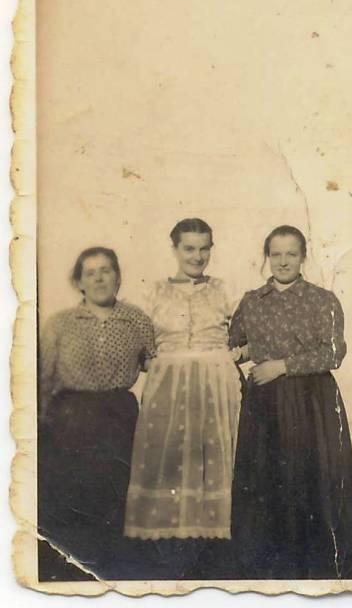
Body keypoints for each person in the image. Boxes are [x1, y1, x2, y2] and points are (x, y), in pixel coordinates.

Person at [229, 225, 352, 580]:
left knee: (309, 478)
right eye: (276, 254)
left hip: (311, 403)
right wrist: (241, 352)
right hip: (264, 405)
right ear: (267, 257)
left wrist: (281, 366)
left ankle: (316, 565)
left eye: (291, 254)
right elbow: (235, 342)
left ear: (303, 257)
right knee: (268, 481)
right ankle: (273, 565)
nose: (283, 261)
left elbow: (333, 353)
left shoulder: (321, 300)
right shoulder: (251, 301)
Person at [123, 218, 241, 577]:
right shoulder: (154, 292)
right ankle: (171, 556)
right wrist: (158, 364)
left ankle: (213, 557)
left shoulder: (224, 290)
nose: (197, 256)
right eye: (189, 248)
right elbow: (137, 346)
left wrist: (229, 358)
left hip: (216, 388)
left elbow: (248, 336)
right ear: (174, 249)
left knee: (214, 462)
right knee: (170, 461)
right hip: (168, 389)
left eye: (204, 248)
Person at [38, 246, 155, 575]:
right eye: (91, 273)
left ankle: (118, 572)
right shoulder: (60, 324)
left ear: (118, 277)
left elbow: (157, 365)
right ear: (79, 282)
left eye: (106, 270)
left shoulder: (137, 319)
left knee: (118, 498)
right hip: (70, 418)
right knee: (74, 497)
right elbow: (43, 378)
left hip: (120, 416)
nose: (100, 278)